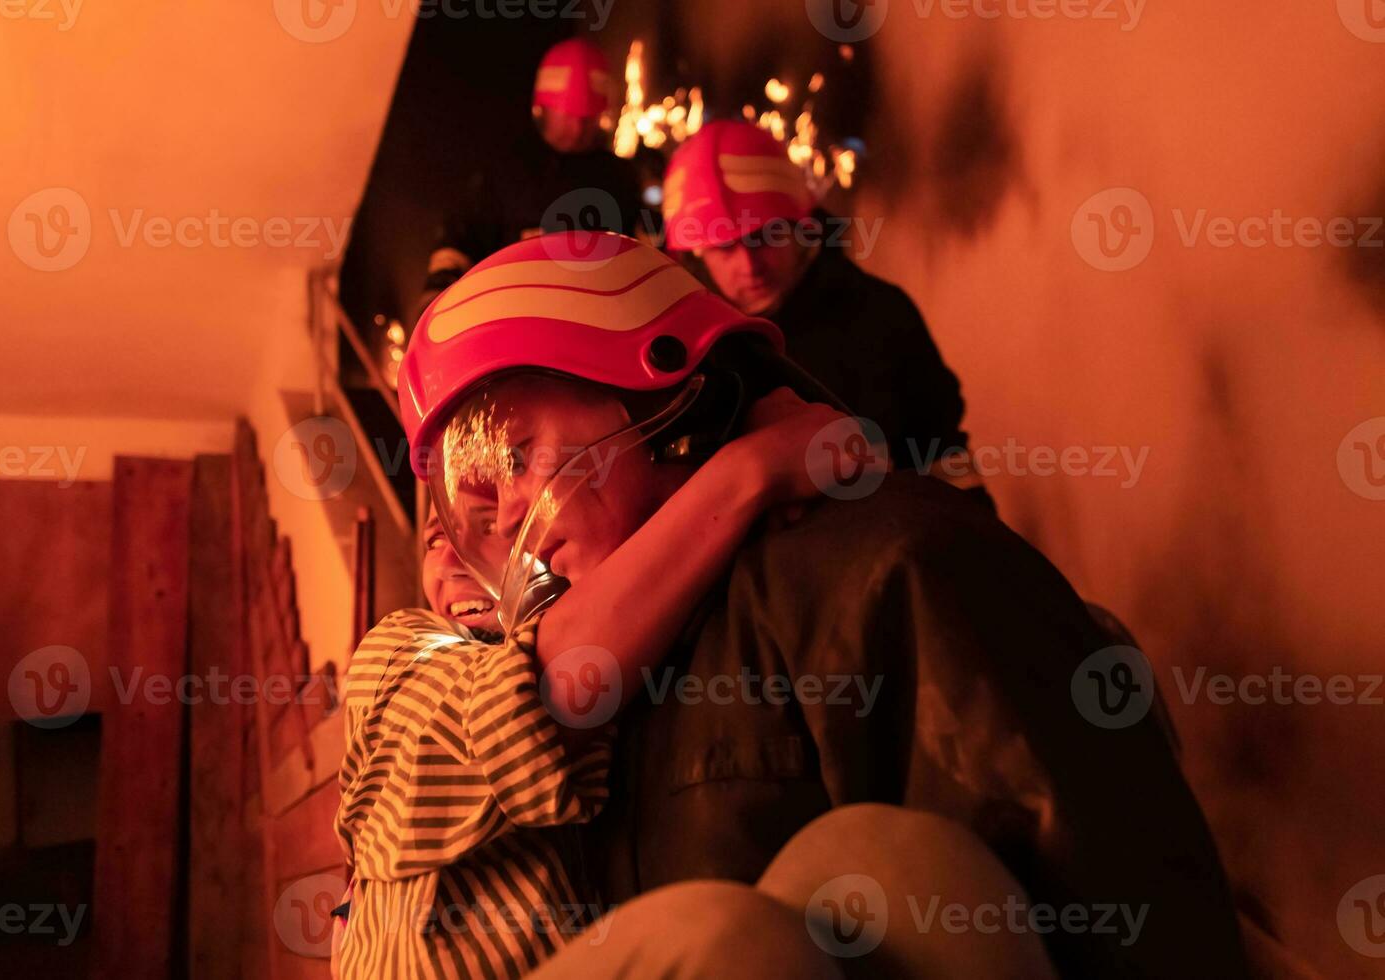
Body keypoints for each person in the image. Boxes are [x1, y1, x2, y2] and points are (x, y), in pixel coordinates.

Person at [400, 231, 1248, 977]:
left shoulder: (889, 567)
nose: (508, 517)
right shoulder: (589, 663)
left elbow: (1126, 912)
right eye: (476, 510)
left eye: (516, 456)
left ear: (667, 397)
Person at [333, 374, 888, 977]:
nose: (451, 557)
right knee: (727, 936)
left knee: (876, 861)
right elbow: (530, 705)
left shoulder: (633, 631)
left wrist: (721, 442)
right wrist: (751, 469)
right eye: (437, 538)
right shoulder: (396, 651)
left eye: (493, 526)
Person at [663, 120, 970, 474]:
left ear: (800, 226)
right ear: (696, 254)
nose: (749, 266)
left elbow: (944, 459)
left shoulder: (882, 317)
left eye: (764, 236)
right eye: (724, 248)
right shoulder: (685, 354)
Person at [417, 38, 645, 319]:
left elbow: (644, 257)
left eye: (587, 119)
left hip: (601, 323)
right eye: (569, 116)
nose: (577, 128)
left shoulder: (619, 178)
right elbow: (461, 238)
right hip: (515, 323)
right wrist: (437, 297)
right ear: (544, 109)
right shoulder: (506, 172)